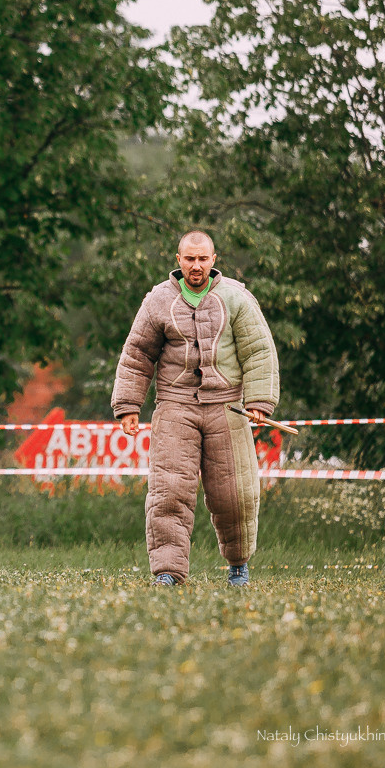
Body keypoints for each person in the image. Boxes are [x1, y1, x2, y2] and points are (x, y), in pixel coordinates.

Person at [112, 230, 279, 587]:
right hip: (174, 407)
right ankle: (168, 572)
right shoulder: (158, 300)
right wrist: (128, 405)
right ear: (178, 260)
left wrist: (260, 401)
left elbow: (259, 351)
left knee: (236, 495)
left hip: (228, 408)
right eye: (190, 259)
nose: (197, 266)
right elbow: (137, 354)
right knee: (168, 491)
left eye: (203, 259)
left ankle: (238, 566)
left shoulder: (236, 298)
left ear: (214, 260)